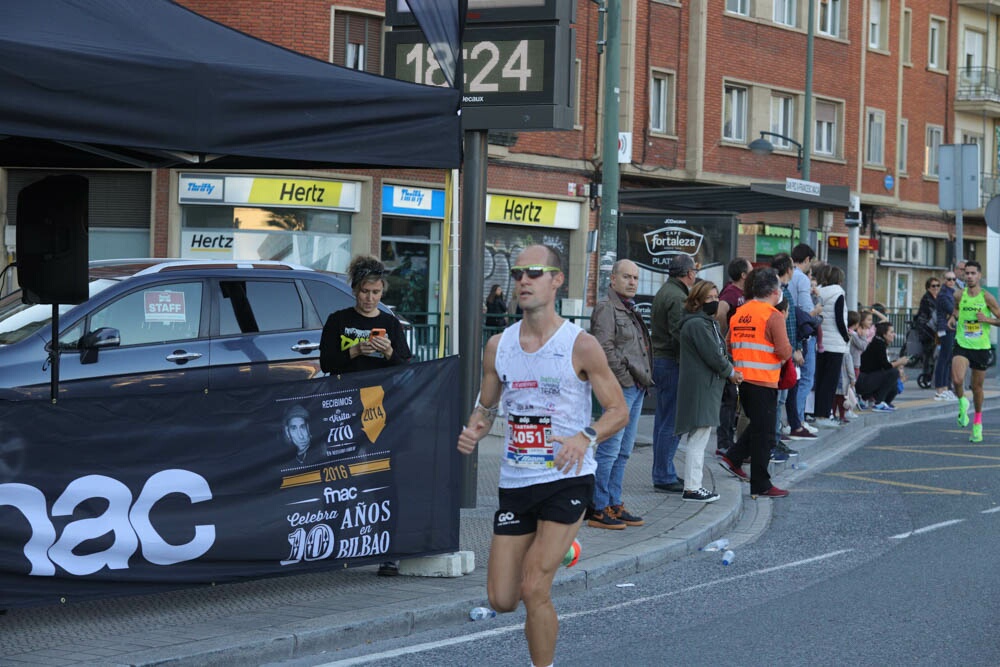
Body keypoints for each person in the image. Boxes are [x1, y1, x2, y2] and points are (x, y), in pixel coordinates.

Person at [456, 244, 628, 667]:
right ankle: (566, 549)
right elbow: (488, 405)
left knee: (534, 587)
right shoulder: (499, 345)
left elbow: (618, 411)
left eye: (534, 272)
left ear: (556, 280)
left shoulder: (580, 345)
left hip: (566, 478)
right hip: (516, 480)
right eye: (518, 274)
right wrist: (477, 426)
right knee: (502, 599)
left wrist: (585, 436)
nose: (524, 281)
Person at [319, 254, 412, 577]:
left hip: (378, 409)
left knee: (382, 476)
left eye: (375, 292)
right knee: (340, 476)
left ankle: (389, 550)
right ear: (355, 290)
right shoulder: (337, 319)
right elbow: (327, 362)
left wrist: (388, 352)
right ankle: (337, 543)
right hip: (343, 407)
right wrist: (355, 351)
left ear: (382, 291)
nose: (370, 298)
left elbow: (405, 366)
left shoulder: (389, 323)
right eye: (364, 292)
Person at [587, 259, 653, 529]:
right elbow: (604, 350)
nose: (632, 282)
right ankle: (599, 507)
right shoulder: (606, 308)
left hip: (635, 387)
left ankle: (613, 502)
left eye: (635, 278)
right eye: (626, 277)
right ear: (613, 279)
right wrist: (625, 381)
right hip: (621, 388)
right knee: (610, 450)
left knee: (624, 451)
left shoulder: (629, 309)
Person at [718, 268, 792, 498]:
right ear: (773, 291)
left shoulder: (740, 312)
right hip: (764, 381)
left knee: (760, 427)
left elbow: (729, 345)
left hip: (742, 379)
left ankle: (733, 457)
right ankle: (761, 483)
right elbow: (784, 351)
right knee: (765, 434)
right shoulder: (773, 315)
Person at [676, 280, 741, 503]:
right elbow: (713, 355)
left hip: (707, 386)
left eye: (716, 297)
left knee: (700, 437)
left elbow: (718, 351)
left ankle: (694, 485)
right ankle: (692, 487)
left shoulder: (705, 323)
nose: (715, 302)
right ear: (698, 300)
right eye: (710, 298)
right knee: (699, 437)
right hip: (700, 386)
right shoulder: (697, 325)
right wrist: (730, 371)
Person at [650, 253, 697, 493]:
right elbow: (680, 335)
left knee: (663, 419)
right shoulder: (678, 297)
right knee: (672, 421)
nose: (695, 276)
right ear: (688, 273)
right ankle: (664, 474)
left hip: (661, 360)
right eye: (694, 272)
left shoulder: (665, 290)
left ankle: (663, 471)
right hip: (671, 362)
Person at [949, 260, 1000, 442]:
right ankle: (962, 401)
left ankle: (977, 422)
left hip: (981, 347)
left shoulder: (987, 297)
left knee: (977, 387)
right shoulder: (958, 295)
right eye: (967, 273)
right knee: (957, 379)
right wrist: (952, 318)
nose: (969, 276)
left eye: (973, 273)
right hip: (962, 343)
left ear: (979, 276)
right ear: (963, 276)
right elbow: (956, 309)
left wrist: (986, 319)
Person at [715, 257, 750, 456]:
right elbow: (721, 312)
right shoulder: (731, 292)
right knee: (729, 398)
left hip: (738, 353)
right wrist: (722, 337)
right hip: (729, 353)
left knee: (733, 398)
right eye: (750, 270)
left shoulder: (743, 293)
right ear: (743, 274)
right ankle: (724, 442)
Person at [814, 265, 849, 427]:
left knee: (821, 380)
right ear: (839, 280)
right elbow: (840, 319)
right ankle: (824, 416)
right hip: (835, 343)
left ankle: (817, 414)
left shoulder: (819, 292)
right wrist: (846, 337)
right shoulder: (838, 294)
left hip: (821, 343)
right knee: (830, 382)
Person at [789, 244, 820, 426]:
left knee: (792, 380)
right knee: (806, 378)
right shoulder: (802, 279)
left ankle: (794, 420)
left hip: (790, 330)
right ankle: (798, 420)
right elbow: (808, 310)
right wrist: (818, 310)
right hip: (803, 332)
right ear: (807, 259)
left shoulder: (788, 278)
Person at [857, 321, 908, 411]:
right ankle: (879, 403)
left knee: (894, 379)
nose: (894, 334)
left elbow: (882, 365)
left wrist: (897, 363)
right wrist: (899, 362)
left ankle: (885, 402)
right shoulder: (878, 344)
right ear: (884, 334)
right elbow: (886, 366)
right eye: (891, 332)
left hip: (868, 379)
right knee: (893, 373)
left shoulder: (879, 343)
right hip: (863, 381)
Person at [934, 270, 958, 401]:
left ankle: (945, 388)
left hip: (951, 328)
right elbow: (952, 309)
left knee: (948, 358)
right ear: (944, 280)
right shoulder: (943, 294)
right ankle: (940, 389)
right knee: (944, 358)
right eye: (949, 279)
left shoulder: (952, 293)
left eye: (954, 279)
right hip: (945, 328)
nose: (952, 282)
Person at [916, 277, 940, 381]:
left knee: (934, 353)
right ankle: (926, 375)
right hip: (927, 330)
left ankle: (931, 374)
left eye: (938, 285)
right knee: (928, 354)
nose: (936, 288)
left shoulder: (938, 298)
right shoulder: (926, 299)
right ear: (928, 287)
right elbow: (926, 315)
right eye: (933, 286)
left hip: (935, 329)